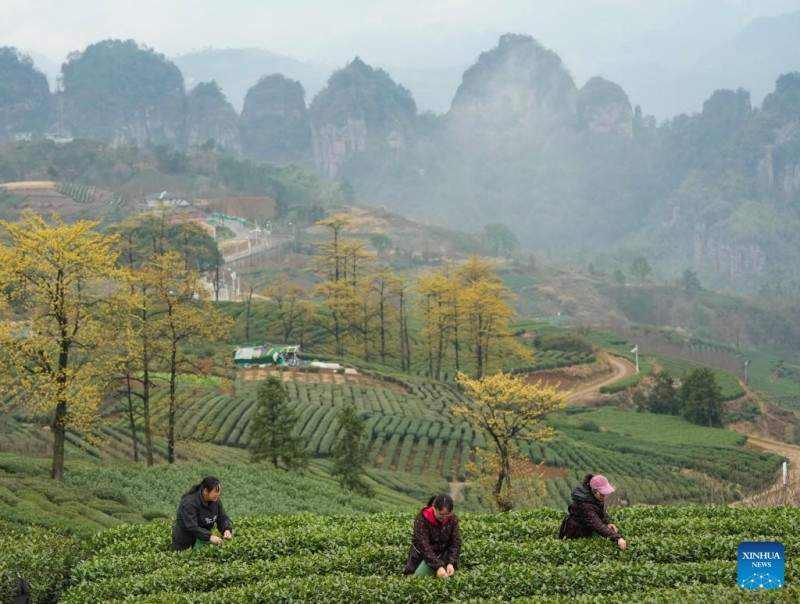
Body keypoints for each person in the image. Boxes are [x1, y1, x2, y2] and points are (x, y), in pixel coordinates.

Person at [559, 474, 626, 550]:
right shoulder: (585, 506)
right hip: (576, 534)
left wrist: (608, 522)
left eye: (605, 493)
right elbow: (597, 524)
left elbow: (600, 511)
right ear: (594, 490)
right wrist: (618, 538)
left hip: (586, 530)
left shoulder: (594, 496)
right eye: (602, 494)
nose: (604, 496)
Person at [403, 494, 462, 577]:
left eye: (447, 514)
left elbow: (455, 542)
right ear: (434, 507)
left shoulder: (452, 519)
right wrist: (438, 566)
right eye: (441, 514)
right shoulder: (422, 519)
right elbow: (424, 546)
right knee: (416, 579)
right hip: (422, 556)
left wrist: (451, 563)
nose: (444, 517)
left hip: (442, 555)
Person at [171, 476, 233, 551]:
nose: (218, 494)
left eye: (219, 491)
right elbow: (192, 526)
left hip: (202, 539)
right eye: (215, 491)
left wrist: (226, 530)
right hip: (184, 543)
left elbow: (222, 518)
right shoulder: (189, 503)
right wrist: (210, 537)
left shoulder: (215, 501)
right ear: (205, 491)